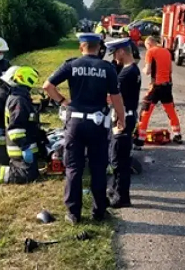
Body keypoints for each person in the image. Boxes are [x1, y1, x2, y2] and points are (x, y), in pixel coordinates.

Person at [42, 33, 125, 225]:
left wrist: (63, 101)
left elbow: (48, 86)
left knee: (73, 169)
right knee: (98, 168)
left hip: (75, 124)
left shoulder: (71, 65)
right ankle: (99, 211)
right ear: (99, 48)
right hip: (97, 125)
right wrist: (121, 118)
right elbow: (116, 97)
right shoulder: (107, 68)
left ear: (82, 47)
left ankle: (73, 214)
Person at [106, 38, 141, 208]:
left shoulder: (126, 74)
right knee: (118, 155)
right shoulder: (131, 69)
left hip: (123, 119)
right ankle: (114, 188)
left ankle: (122, 197)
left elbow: (112, 97)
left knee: (119, 158)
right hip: (126, 116)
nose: (114, 57)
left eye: (114, 53)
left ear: (121, 51)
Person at [136, 35, 182, 146]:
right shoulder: (167, 52)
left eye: (146, 46)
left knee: (145, 111)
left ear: (149, 44)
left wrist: (142, 69)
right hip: (167, 86)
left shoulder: (151, 52)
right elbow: (170, 70)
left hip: (156, 86)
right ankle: (177, 134)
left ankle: (140, 139)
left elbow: (147, 71)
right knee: (170, 110)